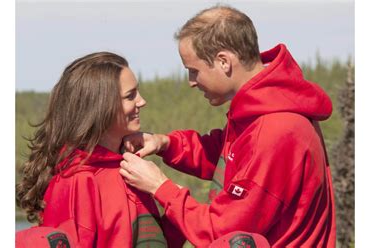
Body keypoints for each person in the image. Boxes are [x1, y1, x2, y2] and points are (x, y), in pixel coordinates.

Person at [119, 5, 336, 247]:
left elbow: (223, 230)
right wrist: (165, 143)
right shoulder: (261, 112)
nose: (191, 82)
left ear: (224, 61)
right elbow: (229, 157)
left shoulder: (276, 130)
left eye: (194, 71)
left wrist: (160, 187)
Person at [15, 52, 184, 247]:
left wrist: (175, 216)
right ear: (101, 106)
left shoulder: (130, 169)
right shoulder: (76, 181)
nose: (142, 101)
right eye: (131, 96)